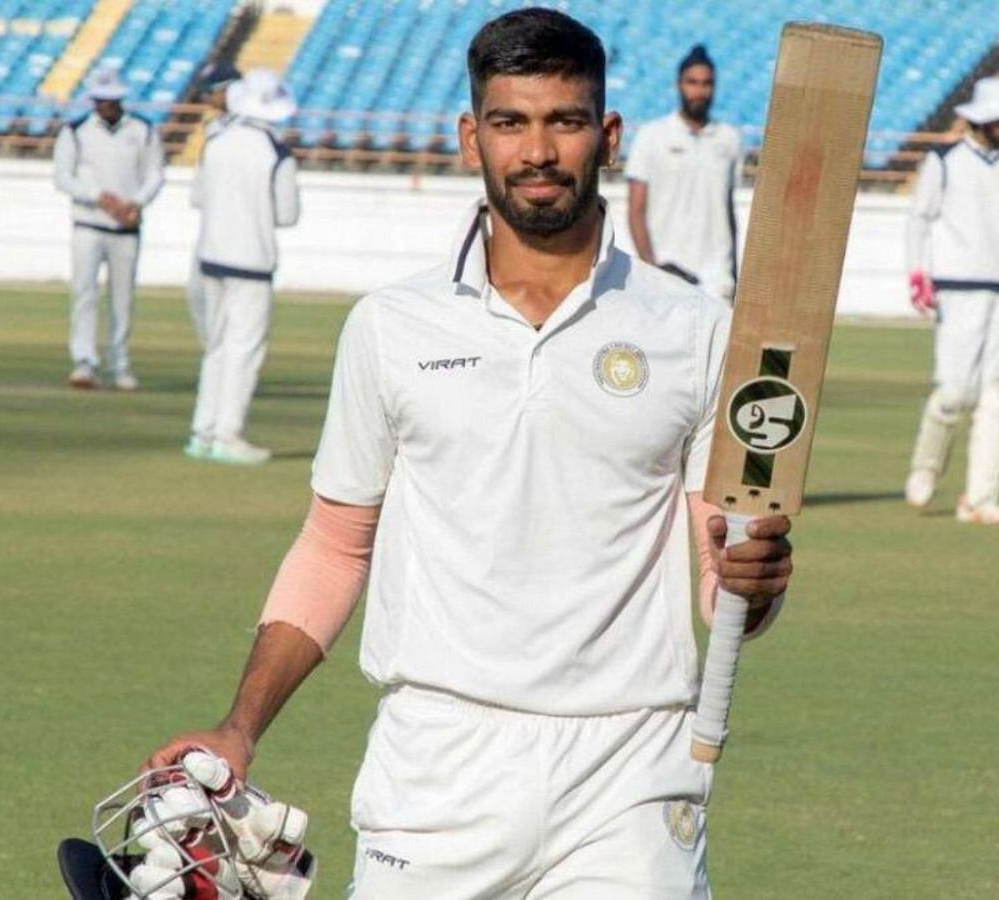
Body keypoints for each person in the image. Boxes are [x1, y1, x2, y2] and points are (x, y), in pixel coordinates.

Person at [144, 10, 795, 898]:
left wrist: (753, 588)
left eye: (564, 121)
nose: (537, 151)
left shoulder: (693, 328)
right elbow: (336, 546)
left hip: (631, 770)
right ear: (469, 137)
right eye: (509, 122)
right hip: (437, 764)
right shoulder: (390, 326)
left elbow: (720, 566)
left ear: (606, 136)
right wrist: (241, 726)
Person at [903, 77, 999, 525]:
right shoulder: (943, 160)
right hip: (957, 287)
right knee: (955, 389)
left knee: (997, 393)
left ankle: (980, 498)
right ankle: (926, 467)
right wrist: (918, 274)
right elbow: (919, 220)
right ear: (982, 118)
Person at [186, 69, 300, 465]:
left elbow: (197, 197)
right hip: (252, 259)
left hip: (211, 256)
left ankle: (203, 431)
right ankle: (228, 435)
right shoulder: (276, 150)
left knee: (216, 348)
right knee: (244, 349)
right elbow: (287, 215)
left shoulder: (215, 139)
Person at [52, 68, 165, 390]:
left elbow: (154, 174)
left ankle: (121, 364)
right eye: (101, 101)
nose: (106, 106)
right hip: (88, 223)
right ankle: (84, 362)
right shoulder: (75, 131)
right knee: (84, 293)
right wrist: (98, 198)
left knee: (122, 299)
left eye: (112, 100)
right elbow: (63, 177)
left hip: (126, 227)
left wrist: (136, 203)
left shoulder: (142, 129)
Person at [623, 44, 743, 302]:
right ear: (679, 84)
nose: (699, 91)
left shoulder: (729, 139)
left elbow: (729, 211)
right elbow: (635, 210)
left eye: (707, 83)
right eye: (692, 82)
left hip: (717, 278)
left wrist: (735, 271)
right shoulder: (652, 136)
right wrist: (651, 268)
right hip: (667, 272)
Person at [186, 60, 244, 346]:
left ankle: (226, 361)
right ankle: (215, 356)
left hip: (236, 224)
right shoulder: (214, 127)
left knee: (231, 301)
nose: (208, 99)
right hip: (211, 220)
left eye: (212, 92)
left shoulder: (247, 128)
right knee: (199, 292)